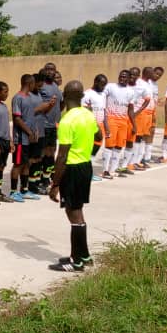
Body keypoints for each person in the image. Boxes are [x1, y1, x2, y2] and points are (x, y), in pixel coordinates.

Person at [48, 81, 98, 272]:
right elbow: (98, 134)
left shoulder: (67, 120)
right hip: (86, 166)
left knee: (73, 213)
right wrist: (87, 153)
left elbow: (62, 156)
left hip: (73, 169)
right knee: (78, 210)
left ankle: (76, 262)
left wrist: (55, 184)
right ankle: (83, 255)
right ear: (82, 95)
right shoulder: (88, 114)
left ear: (64, 95)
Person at [101, 70, 136, 178]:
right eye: (121, 76)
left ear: (129, 78)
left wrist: (134, 125)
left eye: (125, 77)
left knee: (119, 146)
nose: (122, 78)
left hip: (123, 121)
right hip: (111, 119)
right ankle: (105, 170)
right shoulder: (110, 86)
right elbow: (102, 98)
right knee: (109, 145)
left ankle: (113, 170)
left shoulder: (131, 92)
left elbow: (130, 110)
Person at [38, 63, 62, 186]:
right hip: (43, 125)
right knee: (41, 153)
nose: (50, 72)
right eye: (48, 69)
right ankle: (37, 179)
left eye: (52, 69)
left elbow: (61, 104)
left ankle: (46, 178)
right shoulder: (41, 85)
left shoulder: (55, 87)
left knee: (51, 152)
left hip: (54, 125)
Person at [82, 74, 108, 178]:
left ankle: (89, 172)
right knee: (87, 149)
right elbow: (84, 110)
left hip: (100, 126)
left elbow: (103, 110)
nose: (103, 87)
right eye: (102, 85)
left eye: (105, 85)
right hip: (89, 125)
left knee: (95, 149)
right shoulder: (87, 94)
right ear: (95, 82)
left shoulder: (103, 95)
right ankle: (85, 172)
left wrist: (106, 127)